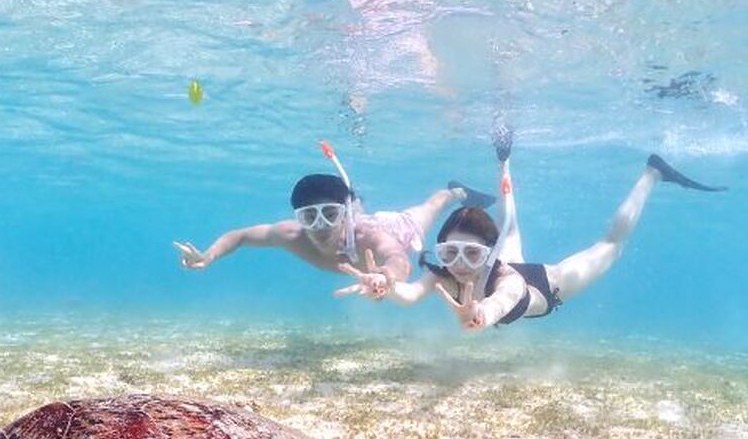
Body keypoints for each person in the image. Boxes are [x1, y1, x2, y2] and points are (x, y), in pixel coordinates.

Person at [336, 128, 725, 329]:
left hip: (548, 283)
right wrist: (385, 284)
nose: (458, 263)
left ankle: (652, 173)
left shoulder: (507, 280)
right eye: (450, 252)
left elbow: (504, 299)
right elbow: (408, 295)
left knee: (611, 244)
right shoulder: (446, 275)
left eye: (471, 253)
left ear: (487, 253)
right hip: (505, 262)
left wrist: (481, 315)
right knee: (509, 227)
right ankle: (503, 161)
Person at [173, 169, 495, 293]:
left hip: (398, 226)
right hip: (361, 220)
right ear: (298, 218)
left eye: (330, 214)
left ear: (344, 214)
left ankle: (456, 192)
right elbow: (240, 236)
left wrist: (385, 276)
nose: (320, 225)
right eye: (309, 216)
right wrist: (209, 255)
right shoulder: (290, 235)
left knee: (431, 205)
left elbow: (397, 257)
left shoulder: (369, 237)